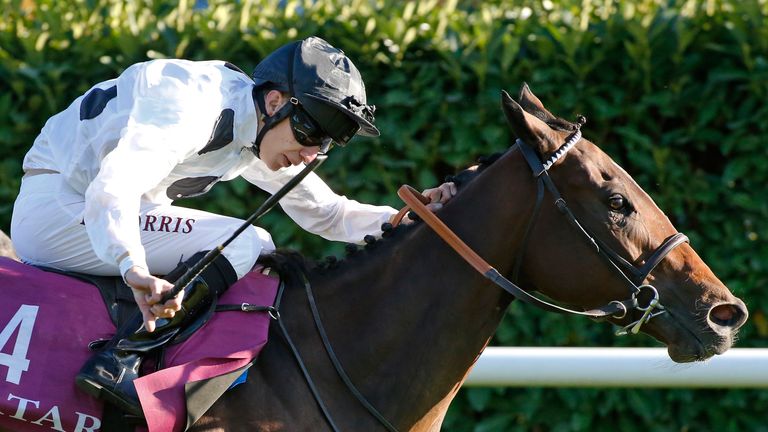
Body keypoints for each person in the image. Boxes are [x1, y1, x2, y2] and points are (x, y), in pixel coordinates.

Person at [10, 36, 456, 416]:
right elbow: (113, 188)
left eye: (323, 144)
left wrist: (414, 217)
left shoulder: (258, 124)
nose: (309, 154)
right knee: (250, 240)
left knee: (248, 243)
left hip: (93, 213)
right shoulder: (191, 104)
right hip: (59, 211)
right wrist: (132, 265)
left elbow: (329, 213)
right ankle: (120, 361)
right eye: (307, 133)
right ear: (276, 101)